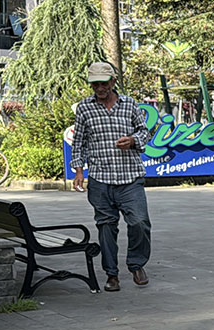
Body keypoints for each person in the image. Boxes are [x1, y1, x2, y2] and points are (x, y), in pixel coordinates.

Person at [71, 62, 151, 292]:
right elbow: (79, 142)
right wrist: (79, 171)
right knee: (106, 227)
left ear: (113, 81)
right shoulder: (84, 108)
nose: (99, 88)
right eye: (95, 84)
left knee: (140, 222)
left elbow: (144, 131)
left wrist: (133, 140)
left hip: (130, 178)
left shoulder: (129, 104)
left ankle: (136, 264)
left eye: (104, 83)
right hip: (100, 179)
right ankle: (111, 274)